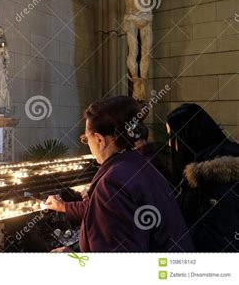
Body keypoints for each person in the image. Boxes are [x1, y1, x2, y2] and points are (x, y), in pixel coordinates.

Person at [46, 96, 193, 252]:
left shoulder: (113, 182)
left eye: (85, 139)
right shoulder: (138, 164)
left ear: (99, 139)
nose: (87, 143)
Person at [166, 103, 239, 251]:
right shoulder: (205, 171)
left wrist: (170, 227)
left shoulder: (212, 178)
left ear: (186, 137)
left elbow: (217, 240)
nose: (169, 144)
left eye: (172, 136)